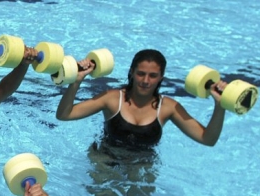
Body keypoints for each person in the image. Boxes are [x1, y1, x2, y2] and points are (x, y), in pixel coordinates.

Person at [55, 48, 227, 152]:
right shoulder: (113, 99)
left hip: (142, 166)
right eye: (141, 73)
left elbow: (207, 139)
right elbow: (64, 115)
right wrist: (77, 81)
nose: (145, 81)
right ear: (131, 72)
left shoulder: (168, 107)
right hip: (105, 159)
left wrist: (220, 105)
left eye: (153, 76)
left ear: (161, 78)